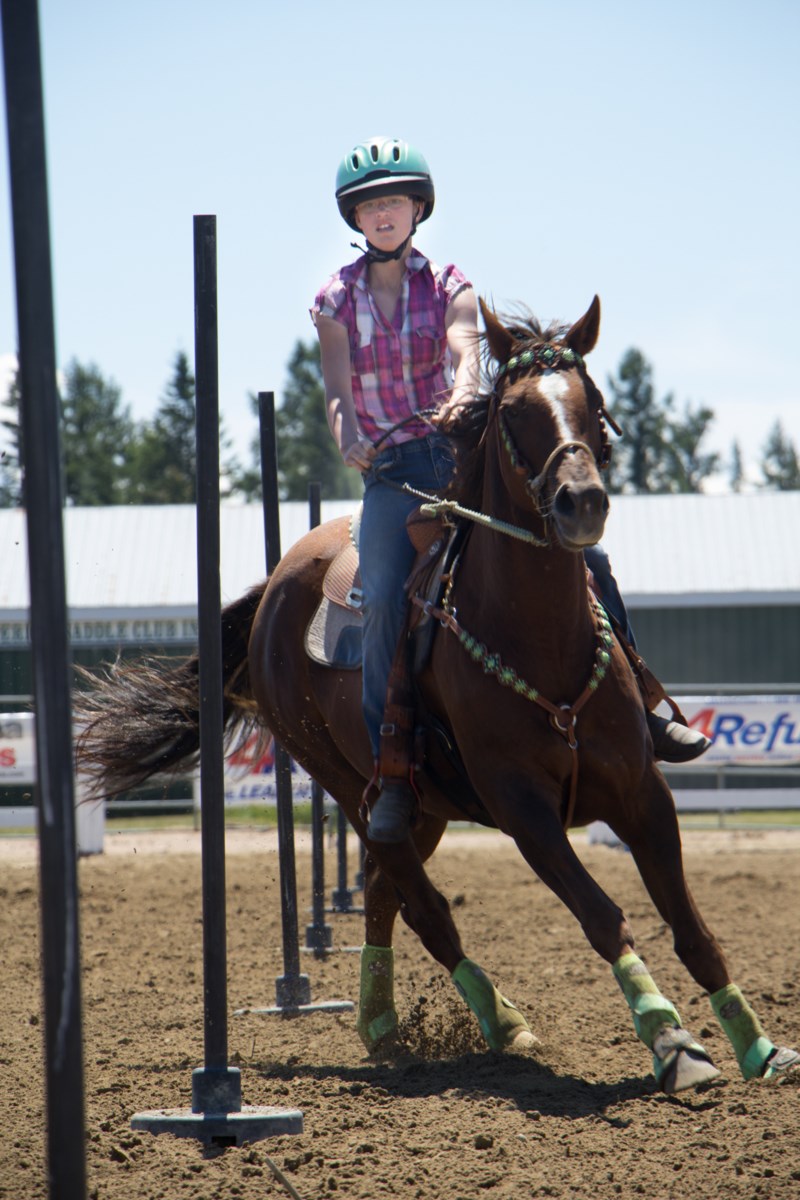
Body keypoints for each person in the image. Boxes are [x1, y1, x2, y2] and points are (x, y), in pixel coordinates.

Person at [312, 136, 708, 844]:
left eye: (394, 201)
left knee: (588, 562)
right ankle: (392, 770)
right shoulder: (334, 300)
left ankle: (646, 703)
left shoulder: (452, 283)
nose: (383, 214)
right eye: (371, 205)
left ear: (417, 209)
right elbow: (338, 389)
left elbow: (468, 350)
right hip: (393, 475)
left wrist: (464, 394)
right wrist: (347, 434)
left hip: (459, 460)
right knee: (378, 598)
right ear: (356, 216)